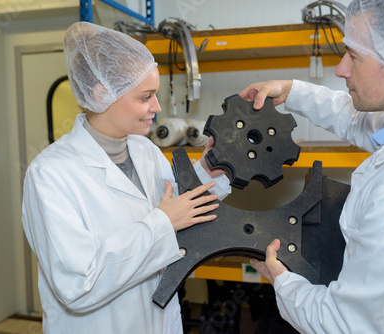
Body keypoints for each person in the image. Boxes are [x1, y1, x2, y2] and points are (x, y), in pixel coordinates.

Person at [241, 0, 384, 333]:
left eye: (354, 56)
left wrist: (283, 281)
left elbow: (345, 325)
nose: (341, 69)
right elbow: (361, 121)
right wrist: (292, 92)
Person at [21, 22, 230, 334]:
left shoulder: (145, 150)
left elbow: (174, 207)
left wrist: (207, 171)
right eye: (145, 97)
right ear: (102, 93)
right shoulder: (50, 174)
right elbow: (78, 284)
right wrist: (162, 223)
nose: (157, 107)